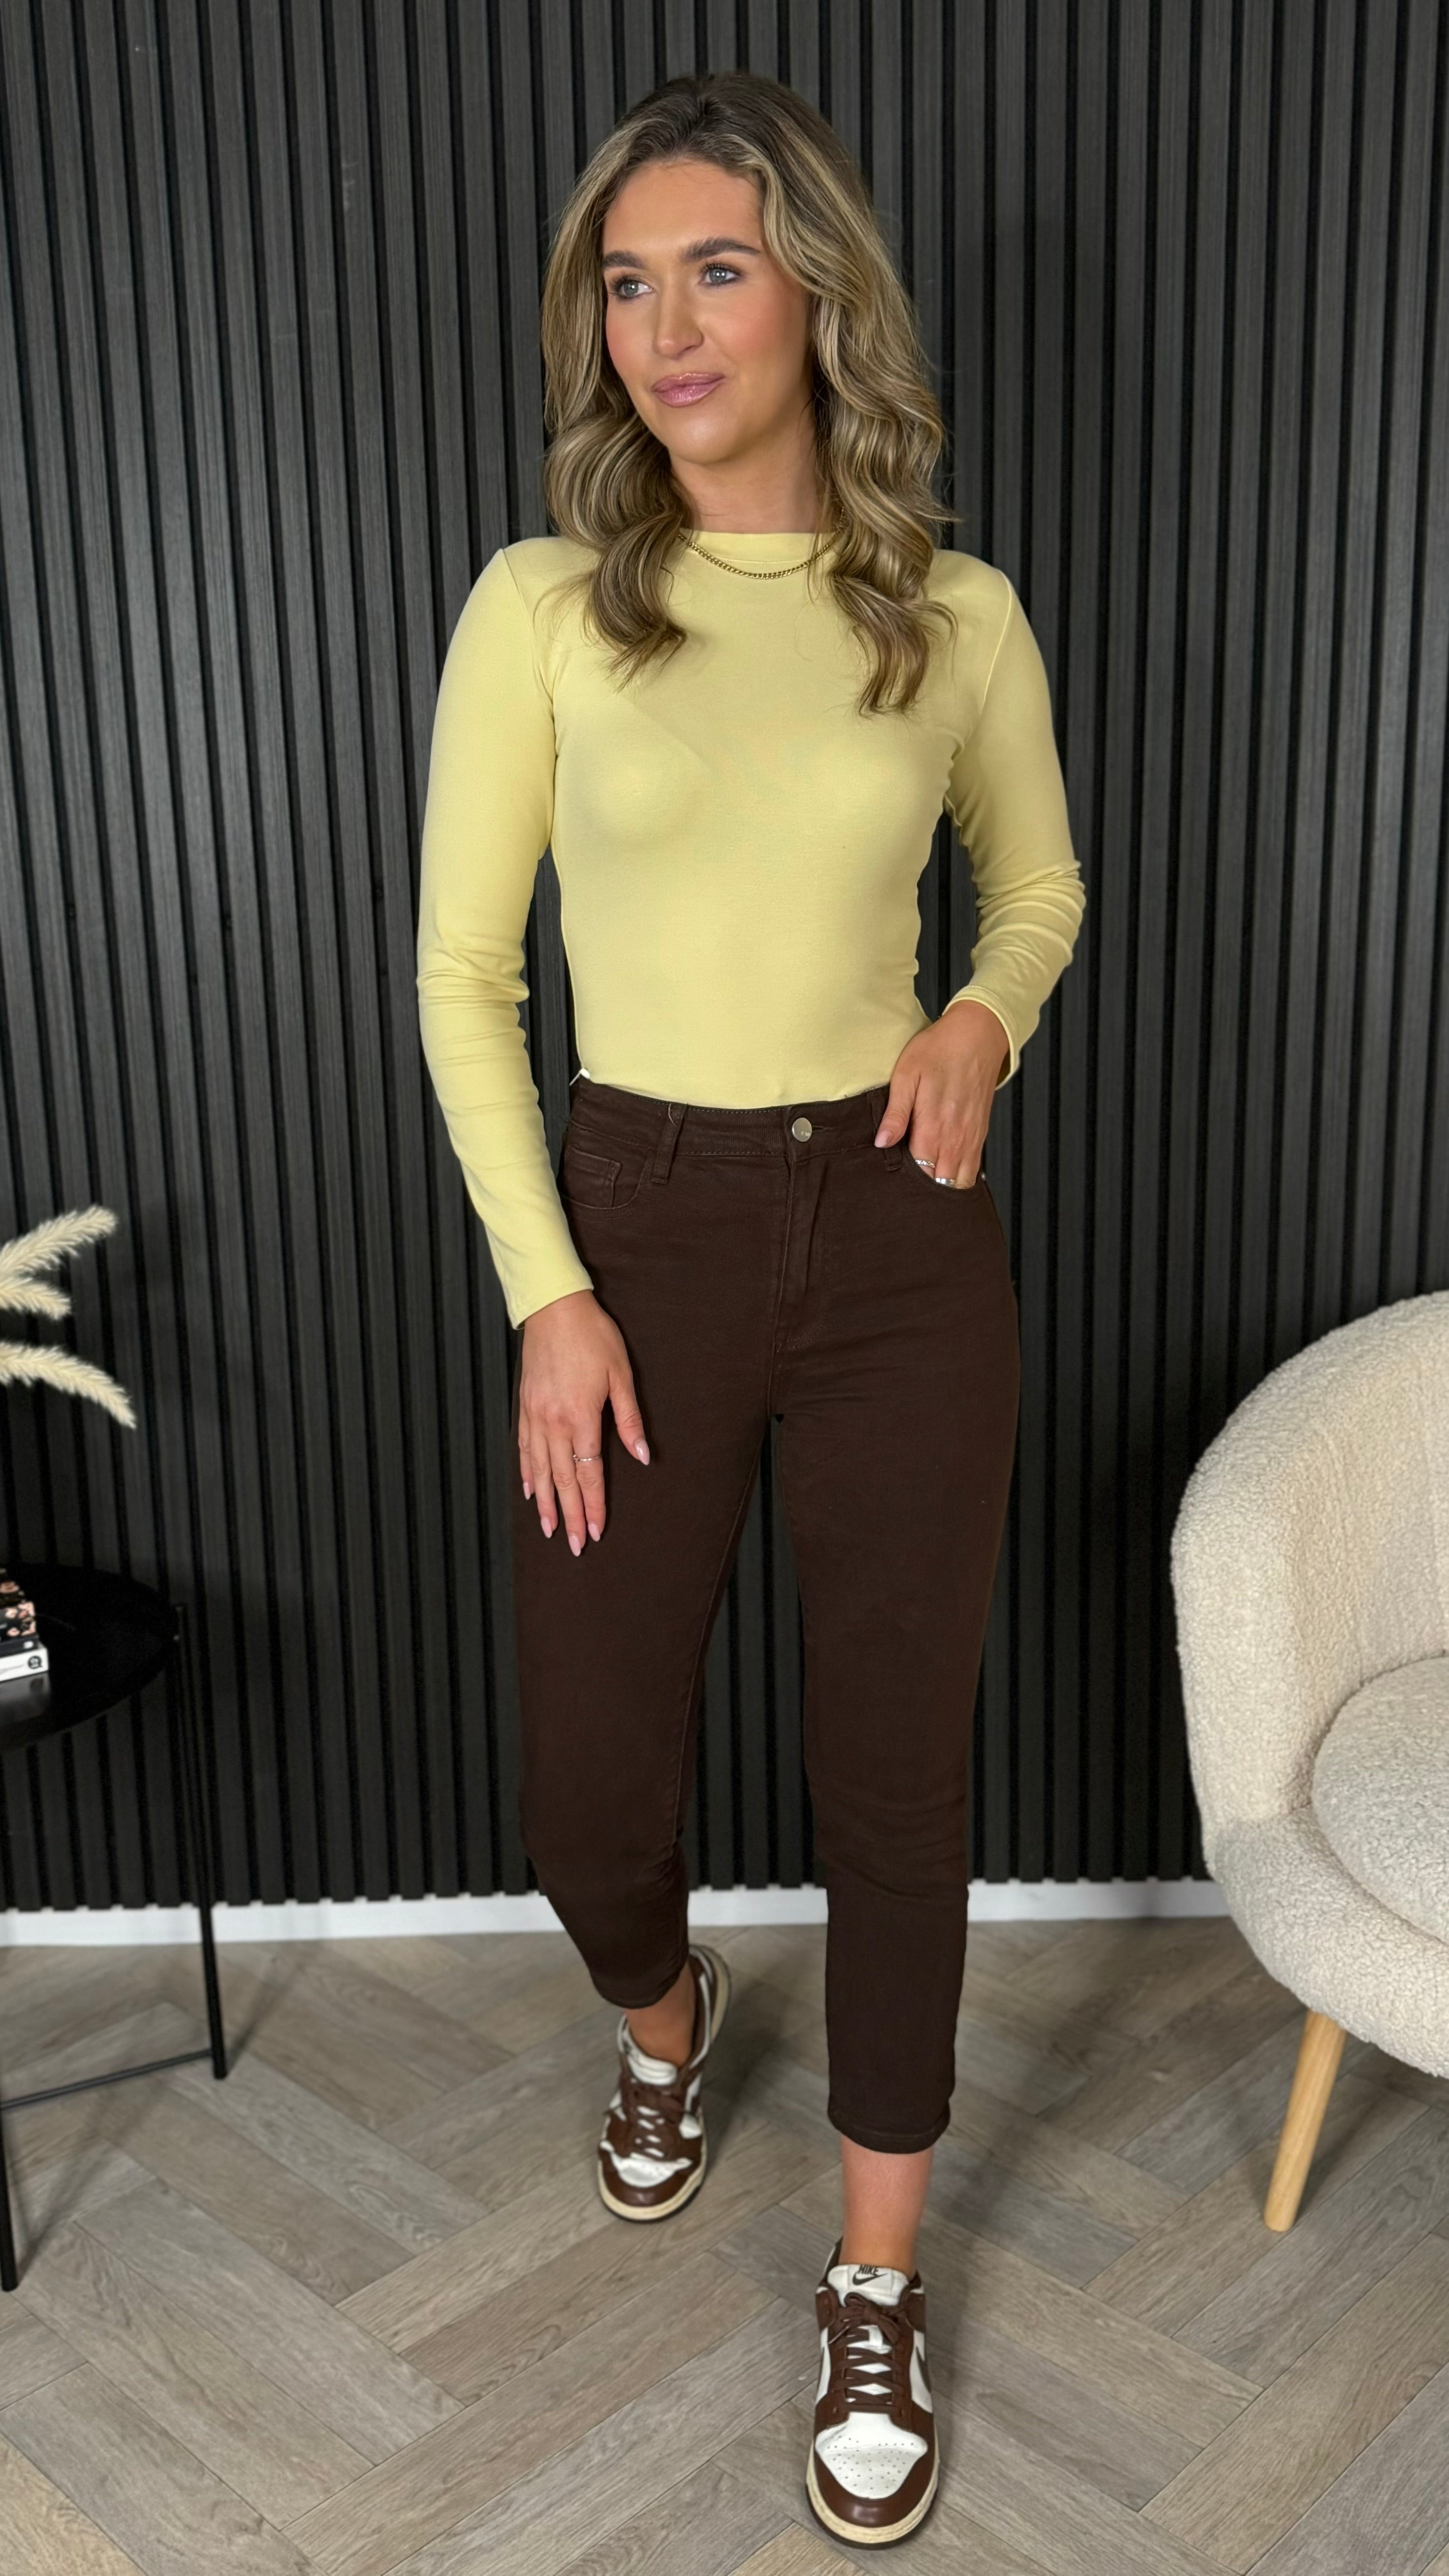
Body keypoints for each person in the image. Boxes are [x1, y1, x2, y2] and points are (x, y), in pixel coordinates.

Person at [416, 68, 1084, 2546]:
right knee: (590, 1790)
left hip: (903, 1242)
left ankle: (875, 2273)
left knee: (898, 1776)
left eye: (717, 268)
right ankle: (668, 2018)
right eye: (629, 280)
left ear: (818, 293)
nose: (669, 324)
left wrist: (984, 1013)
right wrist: (552, 1297)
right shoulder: (544, 607)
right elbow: (465, 978)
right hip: (640, 1231)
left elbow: (1040, 887)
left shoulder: (956, 617)